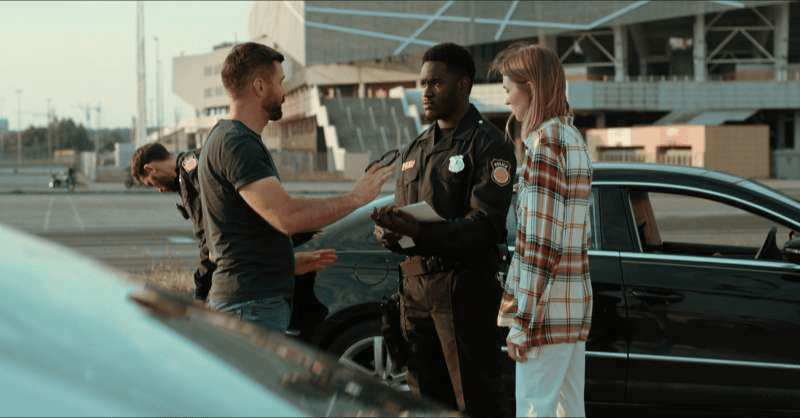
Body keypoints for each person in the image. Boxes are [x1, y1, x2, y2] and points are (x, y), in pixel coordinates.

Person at [198, 42, 395, 332]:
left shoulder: (230, 138)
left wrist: (285, 263)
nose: (284, 92)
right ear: (259, 87)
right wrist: (357, 197)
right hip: (249, 306)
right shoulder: (237, 144)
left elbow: (242, 231)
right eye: (280, 82)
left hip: (251, 301)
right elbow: (286, 216)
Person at [371, 43, 515, 417]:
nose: (426, 91)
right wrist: (391, 233)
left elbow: (485, 226)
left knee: (473, 401)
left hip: (462, 291)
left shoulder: (489, 144)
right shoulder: (414, 149)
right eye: (422, 83)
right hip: (414, 291)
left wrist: (419, 231)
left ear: (464, 84)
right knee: (423, 403)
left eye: (436, 82)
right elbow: (406, 220)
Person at [491, 43, 593, 417]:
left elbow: (539, 244)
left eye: (507, 89)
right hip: (571, 306)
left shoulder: (545, 145)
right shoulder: (572, 139)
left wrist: (523, 324)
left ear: (530, 88)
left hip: (545, 313)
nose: (506, 101)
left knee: (535, 410)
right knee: (568, 410)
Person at [130, 142, 337, 301]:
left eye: (151, 184)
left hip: (249, 279)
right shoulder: (201, 158)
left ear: (150, 169)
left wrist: (201, 291)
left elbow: (210, 241)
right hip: (268, 255)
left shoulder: (190, 178)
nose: (159, 189)